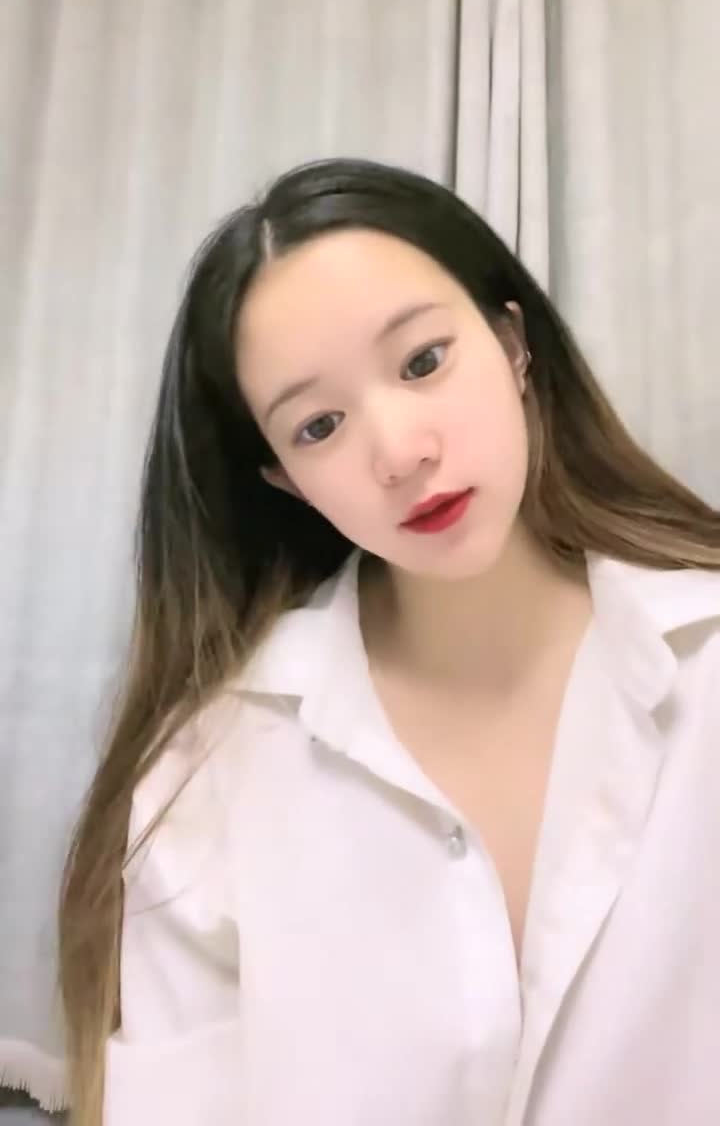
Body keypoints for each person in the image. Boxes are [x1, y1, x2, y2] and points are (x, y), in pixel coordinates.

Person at [58, 158, 720, 1126]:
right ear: (283, 478)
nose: (402, 451)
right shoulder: (211, 765)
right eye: (319, 425)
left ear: (513, 345)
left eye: (422, 362)